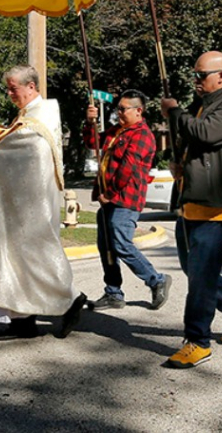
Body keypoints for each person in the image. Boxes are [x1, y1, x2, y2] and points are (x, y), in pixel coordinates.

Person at [0, 65, 86, 341]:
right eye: (8, 89)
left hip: (31, 202)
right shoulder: (27, 115)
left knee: (34, 255)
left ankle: (70, 299)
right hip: (19, 202)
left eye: (13, 89)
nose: (9, 94)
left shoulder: (40, 115)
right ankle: (23, 322)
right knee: (15, 257)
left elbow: (26, 150)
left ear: (31, 86)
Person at [160, 51, 222, 369]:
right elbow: (191, 142)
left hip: (216, 206)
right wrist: (179, 163)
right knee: (195, 270)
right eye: (195, 75)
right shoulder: (201, 105)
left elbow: (204, 133)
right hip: (191, 201)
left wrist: (174, 112)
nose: (196, 81)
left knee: (201, 277)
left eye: (201, 75)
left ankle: (197, 341)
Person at [83, 90, 172, 311]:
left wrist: (109, 194)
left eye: (123, 109)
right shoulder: (117, 131)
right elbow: (92, 142)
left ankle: (156, 280)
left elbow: (127, 169)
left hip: (125, 199)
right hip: (109, 199)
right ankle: (113, 293)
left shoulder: (142, 135)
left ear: (138, 110)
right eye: (118, 109)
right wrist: (90, 122)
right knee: (106, 247)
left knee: (121, 243)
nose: (119, 113)